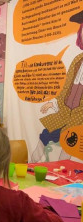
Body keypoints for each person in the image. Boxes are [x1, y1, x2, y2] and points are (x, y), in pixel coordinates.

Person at [32, 9, 83, 162]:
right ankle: (29, 166)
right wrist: (53, 103)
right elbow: (66, 88)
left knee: (69, 145)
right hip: (64, 113)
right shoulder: (77, 60)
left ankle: (62, 174)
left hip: (79, 118)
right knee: (45, 135)